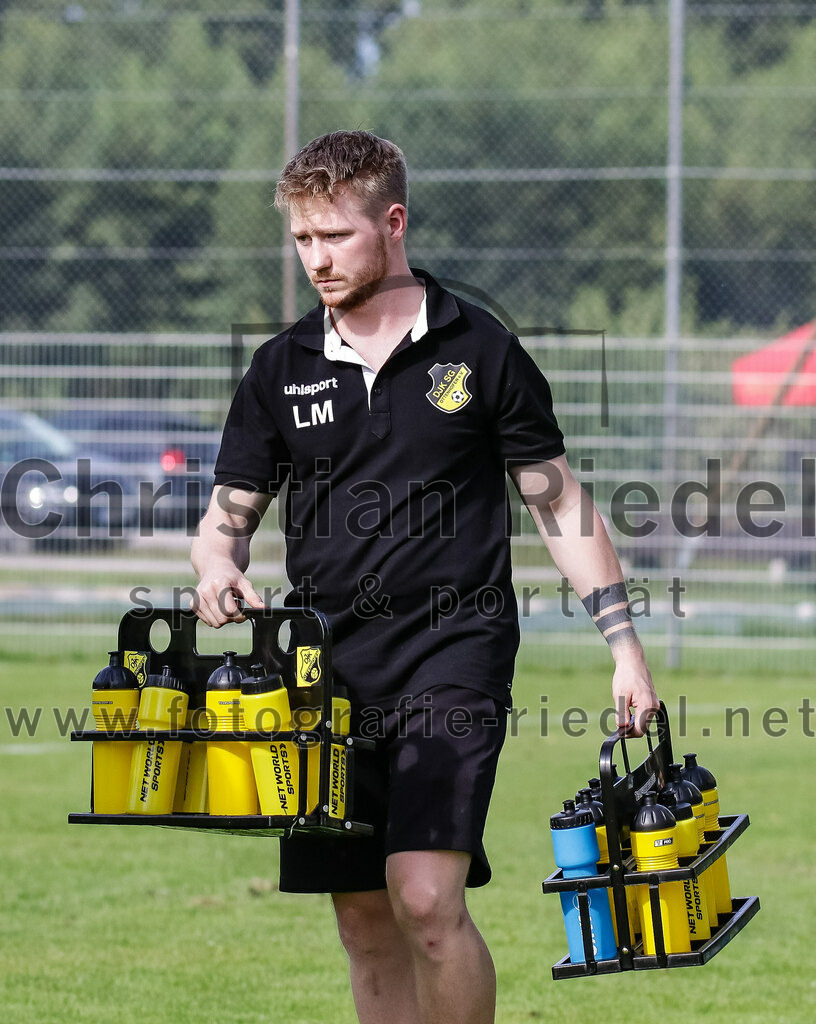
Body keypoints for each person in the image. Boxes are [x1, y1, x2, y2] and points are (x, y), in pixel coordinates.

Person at [191, 130, 659, 1024]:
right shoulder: (279, 368)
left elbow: (560, 505)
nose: (316, 259)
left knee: (424, 899)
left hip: (455, 652)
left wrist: (624, 647)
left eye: (336, 235)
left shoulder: (481, 349)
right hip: (323, 670)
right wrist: (216, 565)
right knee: (365, 921)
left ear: (394, 223)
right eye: (302, 238)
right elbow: (228, 516)